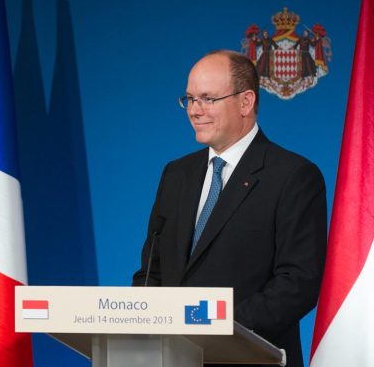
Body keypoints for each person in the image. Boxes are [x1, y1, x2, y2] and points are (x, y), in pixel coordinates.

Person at [132, 51, 327, 367]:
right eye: (190, 99)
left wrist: (219, 326)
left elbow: (298, 283)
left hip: (250, 358)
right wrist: (140, 319)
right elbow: (151, 272)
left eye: (208, 99)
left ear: (246, 102)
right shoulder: (176, 175)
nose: (195, 110)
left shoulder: (292, 176)